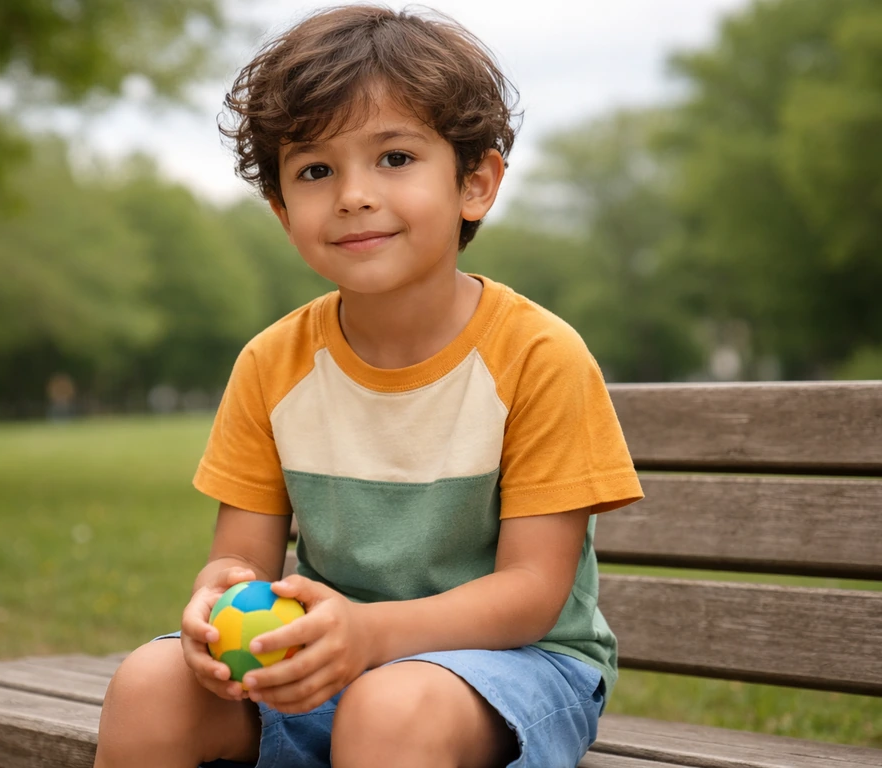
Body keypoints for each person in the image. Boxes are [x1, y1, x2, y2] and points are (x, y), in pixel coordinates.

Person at [94, 6, 644, 768]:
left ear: (475, 183)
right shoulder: (272, 363)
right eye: (316, 171)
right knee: (151, 683)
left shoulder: (539, 355)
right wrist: (215, 607)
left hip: (520, 666)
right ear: (285, 213)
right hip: (334, 660)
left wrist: (374, 635)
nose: (353, 194)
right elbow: (240, 564)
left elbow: (531, 592)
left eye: (394, 158)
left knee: (390, 710)